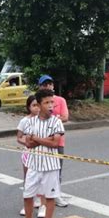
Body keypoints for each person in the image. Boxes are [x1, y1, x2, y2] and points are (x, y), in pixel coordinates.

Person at [14, 89, 65, 218]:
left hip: (50, 165)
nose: (51, 106)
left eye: (52, 102)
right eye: (46, 103)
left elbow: (55, 143)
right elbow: (28, 143)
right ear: (39, 104)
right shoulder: (31, 121)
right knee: (27, 195)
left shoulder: (56, 121)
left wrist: (36, 138)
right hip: (34, 164)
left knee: (49, 196)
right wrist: (44, 139)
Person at [38, 75, 69, 208]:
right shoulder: (37, 101)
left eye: (50, 84)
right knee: (41, 170)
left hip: (57, 141)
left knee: (57, 169)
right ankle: (41, 197)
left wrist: (52, 118)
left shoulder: (60, 100)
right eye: (45, 84)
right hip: (41, 140)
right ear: (40, 87)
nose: (48, 86)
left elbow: (65, 117)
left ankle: (56, 195)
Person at [16, 95, 46, 218]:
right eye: (33, 105)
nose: (36, 108)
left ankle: (43, 205)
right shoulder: (24, 121)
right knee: (28, 179)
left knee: (43, 179)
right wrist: (28, 143)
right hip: (28, 154)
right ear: (28, 107)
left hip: (43, 154)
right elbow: (19, 137)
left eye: (38, 105)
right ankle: (28, 203)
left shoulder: (45, 120)